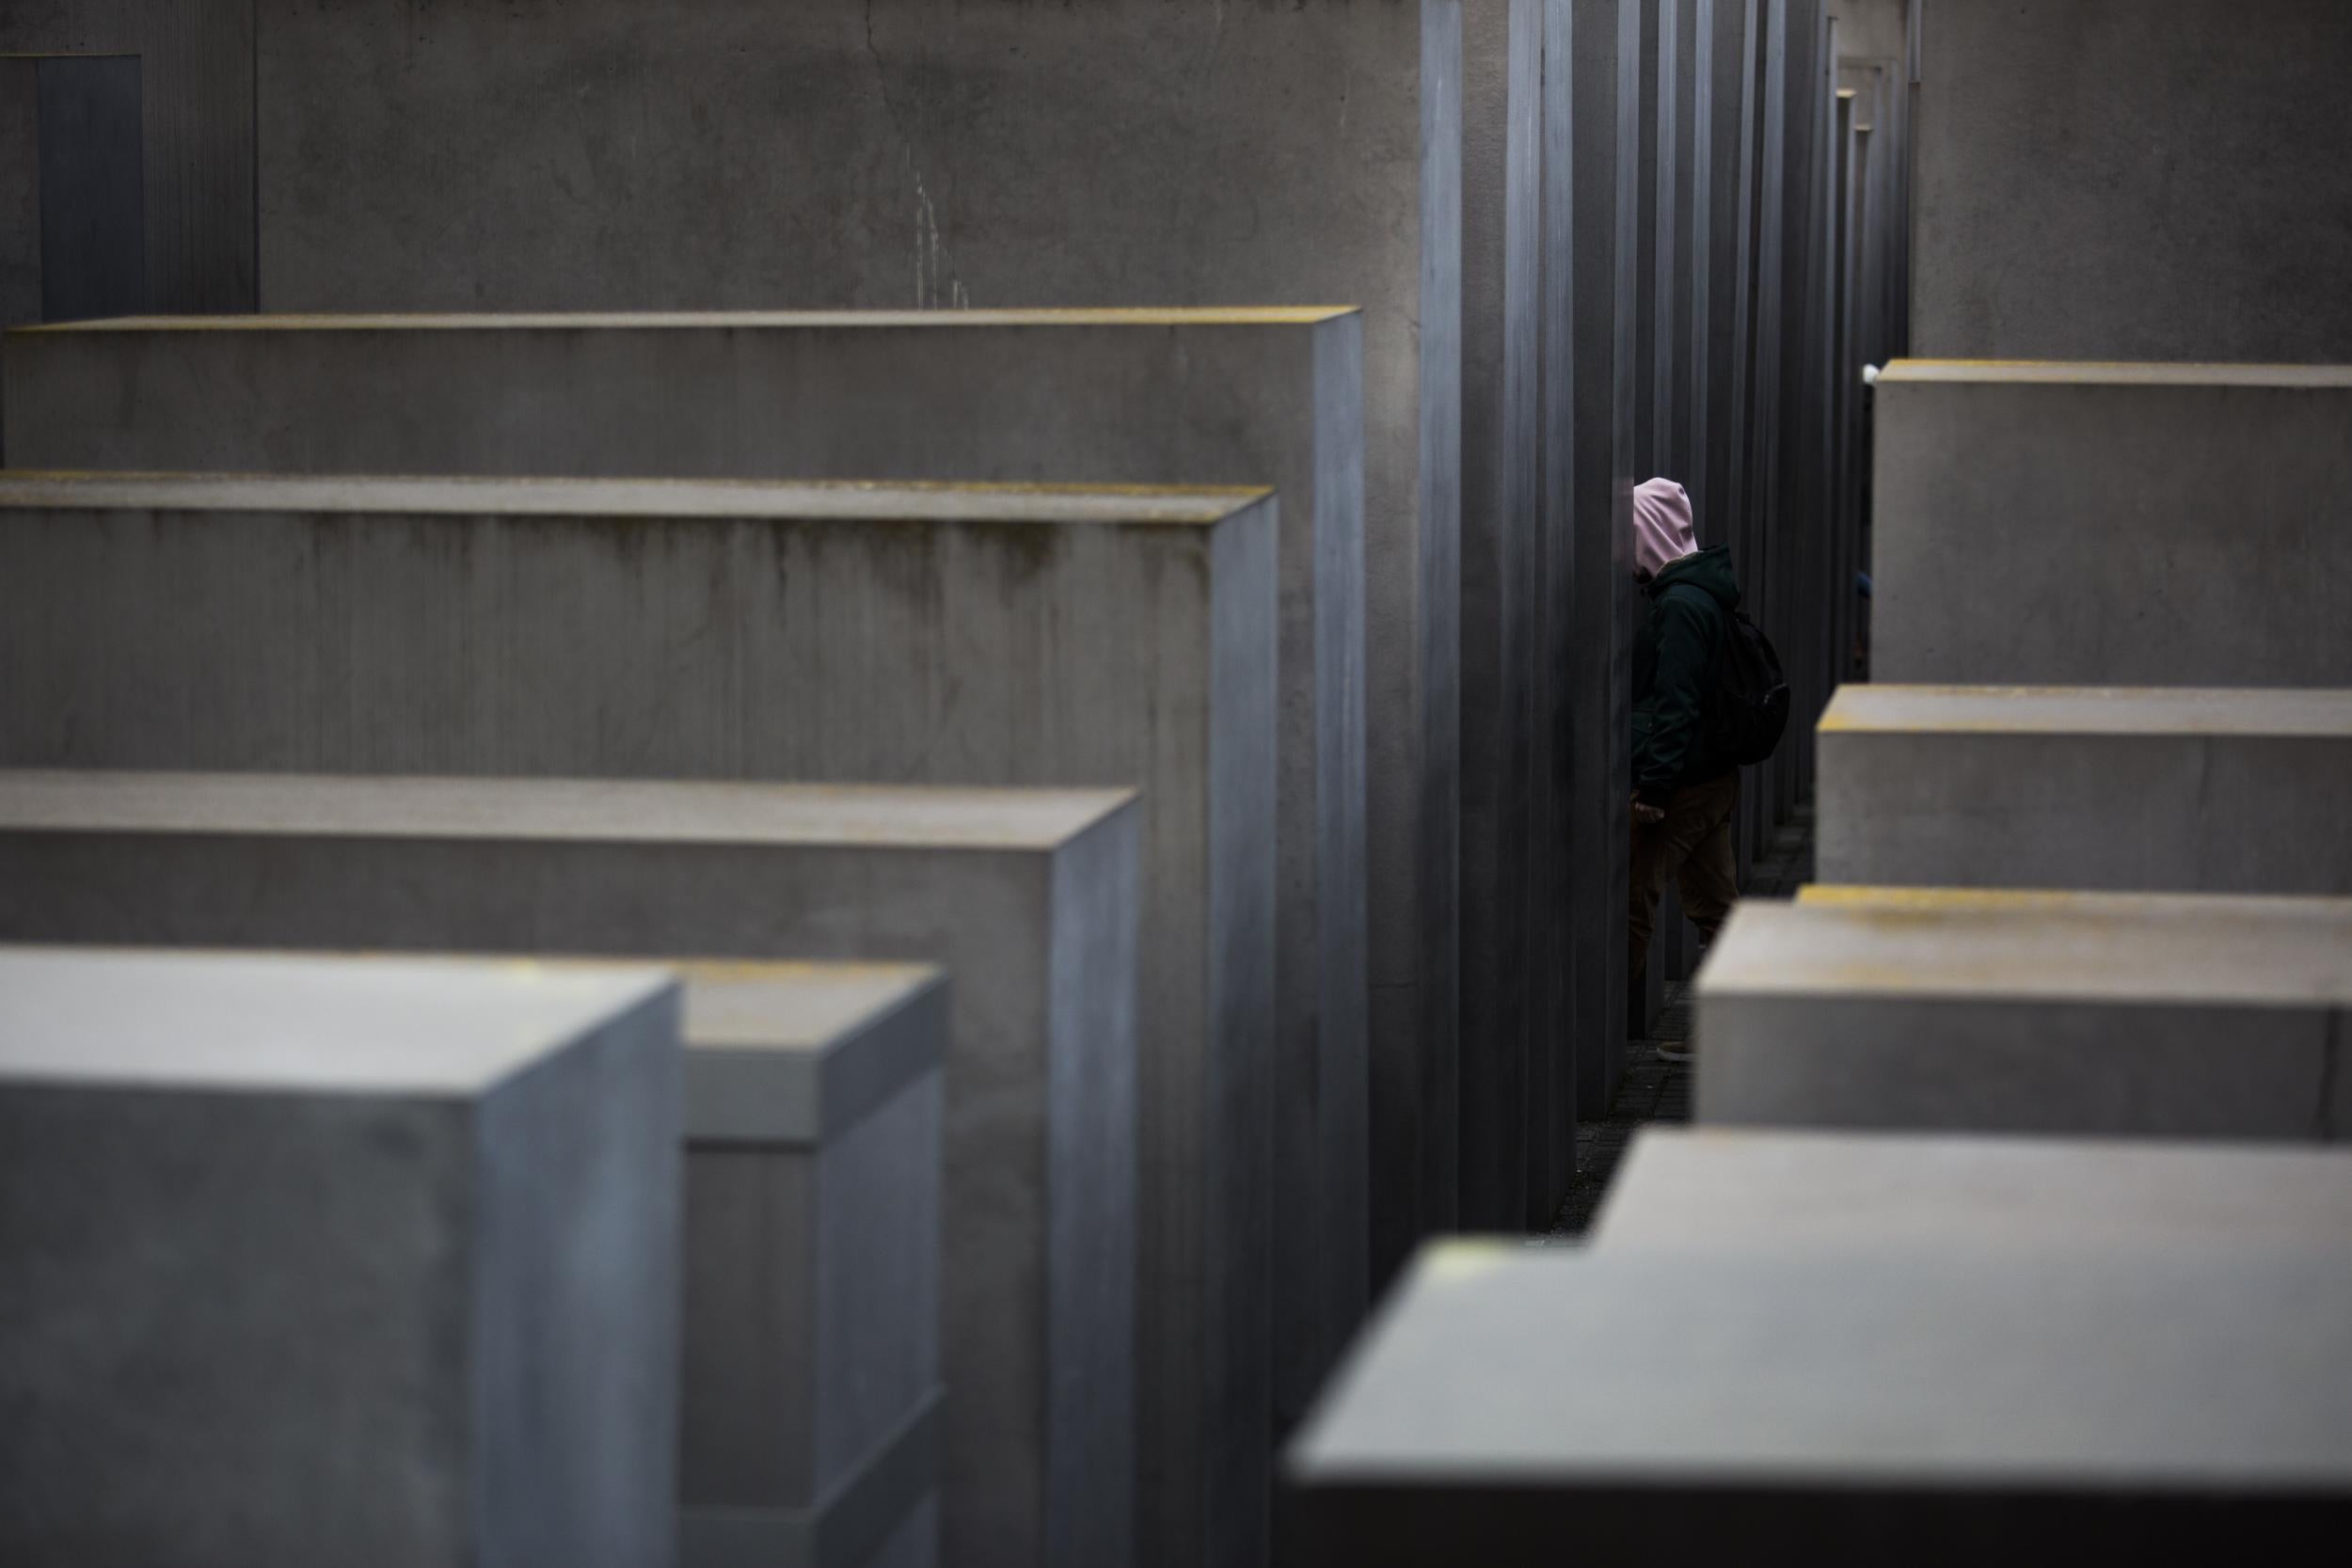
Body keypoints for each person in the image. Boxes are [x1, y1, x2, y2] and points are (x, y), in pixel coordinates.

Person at [1628, 477, 1742, 1057]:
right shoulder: (1705, 592)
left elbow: (1676, 702)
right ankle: (1734, 1031)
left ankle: (1597, 1029)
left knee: (1630, 896)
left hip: (1685, 784)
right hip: (1715, 776)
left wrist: (1653, 784)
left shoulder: (1680, 606)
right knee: (1719, 909)